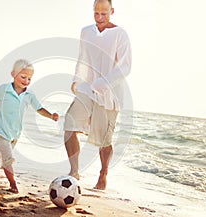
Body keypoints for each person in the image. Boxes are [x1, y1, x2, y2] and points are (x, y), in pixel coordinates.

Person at [64, 0, 131, 190]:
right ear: (93, 11)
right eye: (96, 13)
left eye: (104, 13)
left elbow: (125, 67)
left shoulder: (120, 34)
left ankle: (103, 173)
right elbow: (83, 58)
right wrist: (77, 80)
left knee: (104, 141)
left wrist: (101, 84)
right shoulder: (86, 31)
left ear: (112, 11)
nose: (100, 18)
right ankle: (74, 171)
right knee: (69, 124)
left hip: (110, 93)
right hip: (87, 88)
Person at [0, 59, 59, 193]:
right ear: (13, 74)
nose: (26, 81)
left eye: (29, 78)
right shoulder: (4, 89)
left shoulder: (29, 94)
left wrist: (50, 116)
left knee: (0, 154)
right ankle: (13, 184)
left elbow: (39, 108)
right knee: (7, 159)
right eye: (23, 77)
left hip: (15, 132)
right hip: (1, 129)